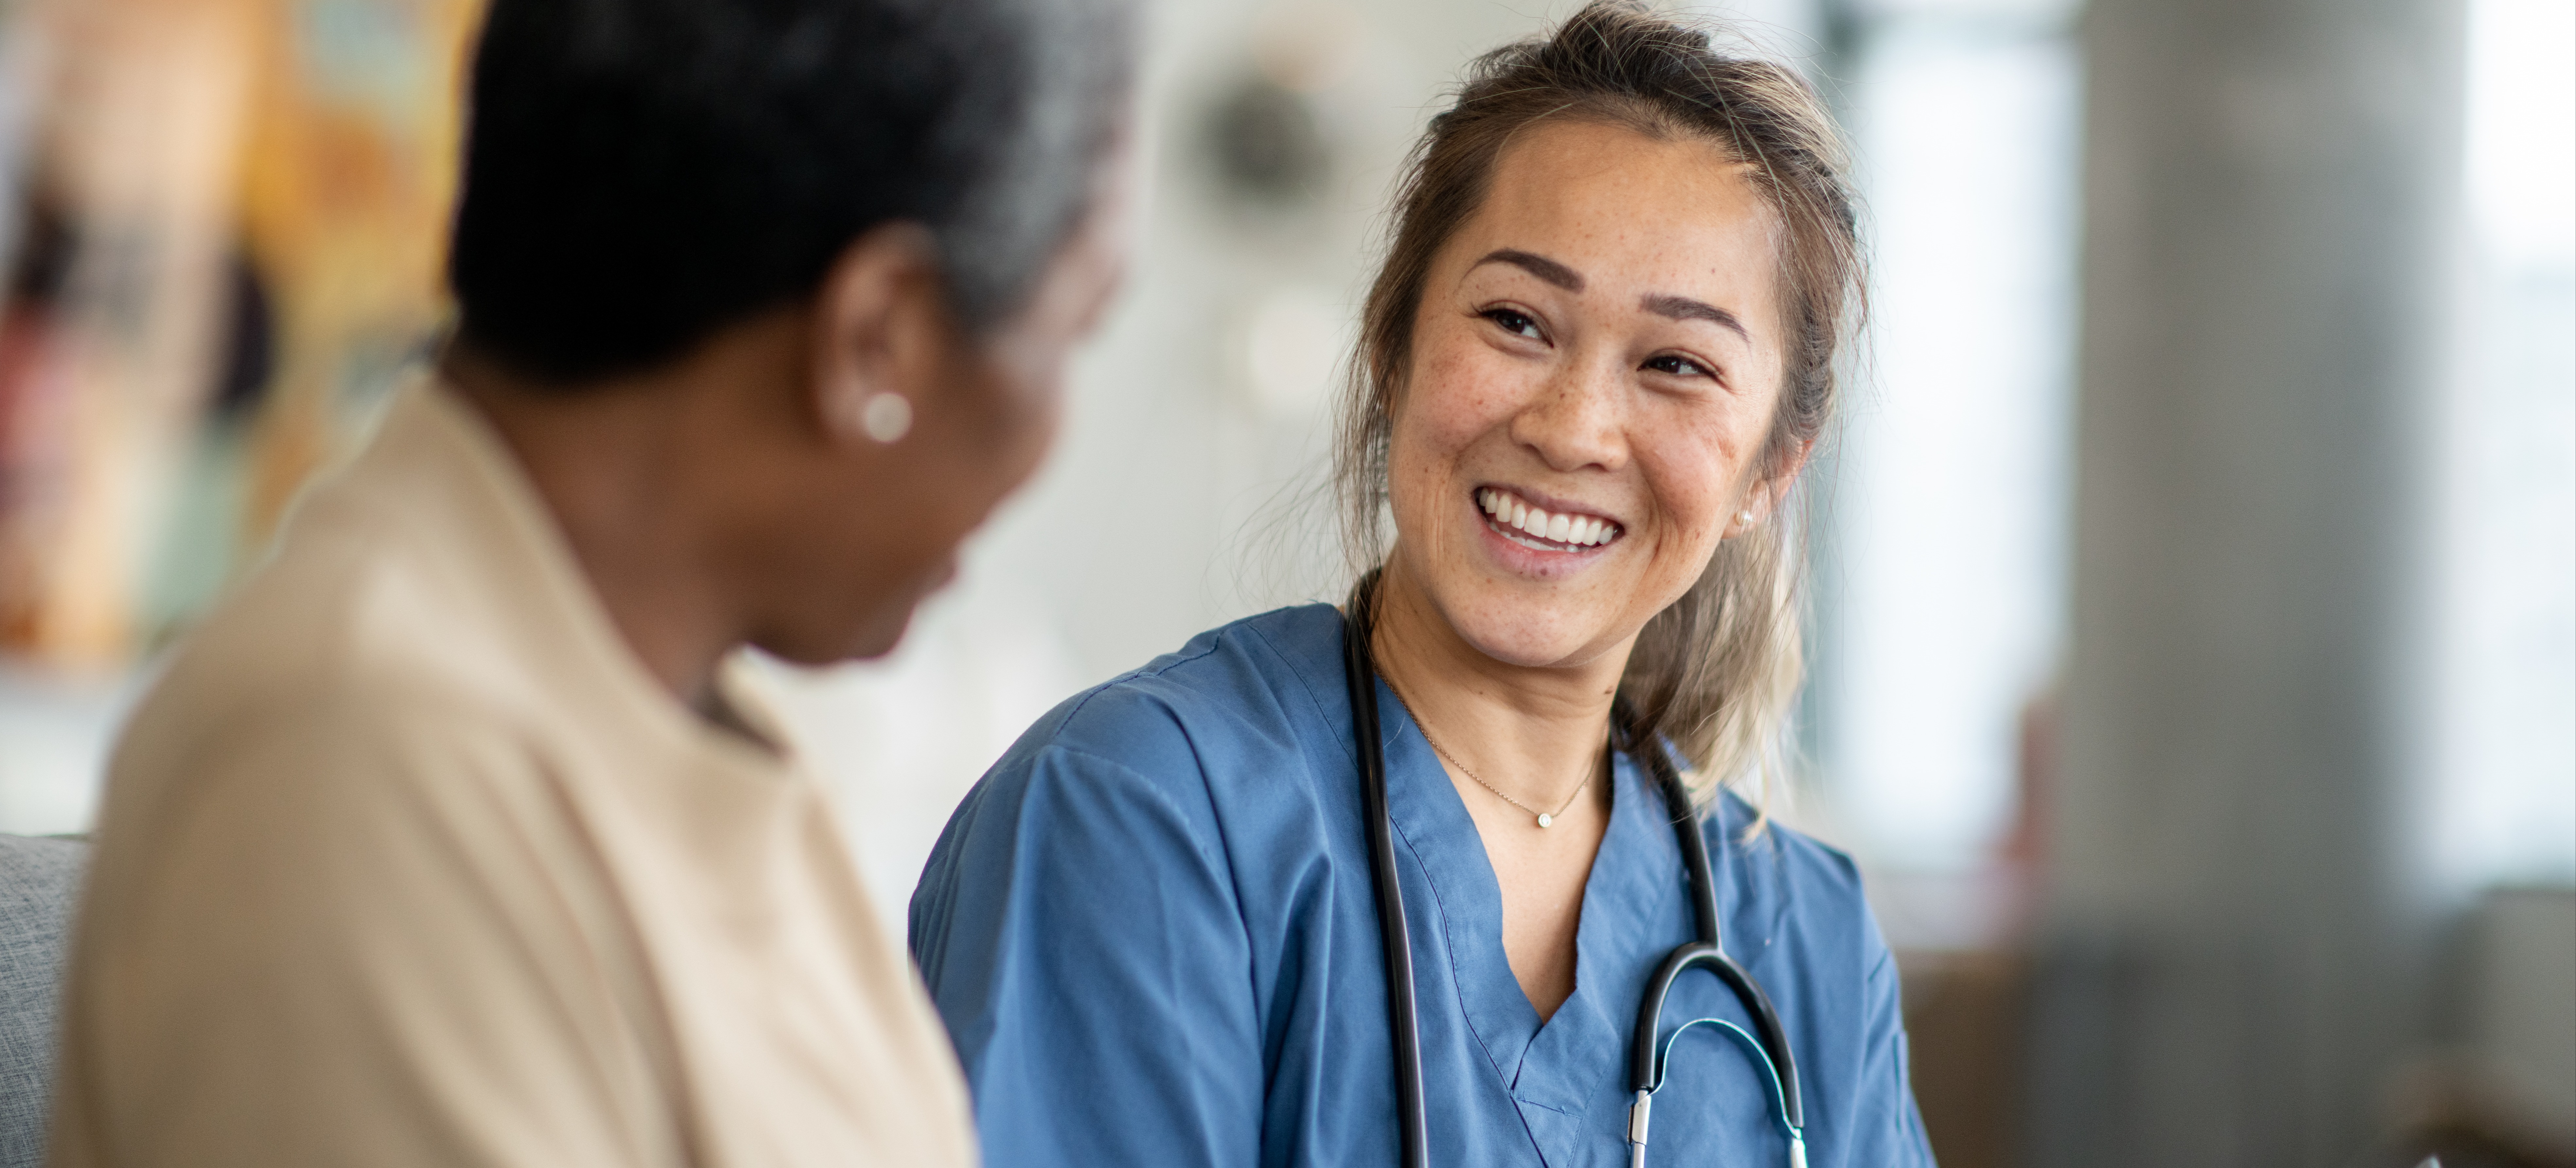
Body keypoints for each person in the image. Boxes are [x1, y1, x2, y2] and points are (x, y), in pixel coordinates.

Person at [48, 0, 1135, 1163]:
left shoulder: (679, 726)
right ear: (880, 337)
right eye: (1071, 329)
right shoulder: (360, 757)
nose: (1054, 439)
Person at [908, 3, 1934, 1165]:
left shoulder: (1806, 939)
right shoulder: (1136, 817)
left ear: (1770, 471)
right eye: (1515, 320)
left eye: (1677, 364)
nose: (1572, 427)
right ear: (1391, 347)